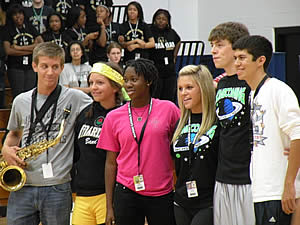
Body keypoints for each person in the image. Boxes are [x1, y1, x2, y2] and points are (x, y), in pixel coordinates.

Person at [1, 42, 92, 225]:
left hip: (57, 187)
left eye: (55, 67)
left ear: (61, 67)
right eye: (44, 66)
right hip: (22, 185)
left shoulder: (76, 97)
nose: (49, 72)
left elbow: (104, 102)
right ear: (34, 66)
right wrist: (5, 149)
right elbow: (14, 134)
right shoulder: (21, 100)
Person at [97, 58, 180, 225]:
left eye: (134, 80)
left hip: (162, 193)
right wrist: (109, 207)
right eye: (126, 80)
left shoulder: (169, 109)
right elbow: (110, 163)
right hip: (126, 192)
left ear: (148, 81)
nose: (128, 85)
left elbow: (178, 151)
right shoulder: (113, 117)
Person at [233, 35, 300, 225]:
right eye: (235, 58)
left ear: (260, 60)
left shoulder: (279, 90)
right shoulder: (253, 94)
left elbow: (298, 134)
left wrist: (288, 186)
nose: (236, 63)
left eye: (242, 58)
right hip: (261, 191)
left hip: (279, 191)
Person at [208, 22, 254, 225]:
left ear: (237, 47)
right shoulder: (219, 84)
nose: (213, 50)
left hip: (250, 178)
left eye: (219, 44)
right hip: (223, 176)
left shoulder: (253, 83)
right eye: (211, 45)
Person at [72, 62, 124, 225]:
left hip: (109, 196)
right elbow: (76, 154)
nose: (93, 87)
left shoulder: (123, 116)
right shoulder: (84, 115)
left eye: (100, 83)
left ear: (115, 86)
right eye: (91, 83)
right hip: (82, 196)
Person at [172, 65, 219, 225]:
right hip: (181, 201)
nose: (183, 93)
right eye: (180, 88)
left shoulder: (217, 121)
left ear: (204, 88)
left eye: (189, 87)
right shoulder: (180, 123)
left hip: (208, 201)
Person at [3, 3, 43, 98]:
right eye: (15, 14)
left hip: (30, 66)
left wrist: (18, 48)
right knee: (19, 96)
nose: (18, 16)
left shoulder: (30, 27)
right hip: (15, 67)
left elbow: (41, 45)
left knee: (31, 95)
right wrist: (32, 48)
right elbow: (8, 51)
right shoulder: (7, 30)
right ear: (11, 16)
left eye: (20, 13)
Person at [150, 9, 181, 103]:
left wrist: (174, 56)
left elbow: (178, 41)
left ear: (167, 21)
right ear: (154, 19)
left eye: (163, 19)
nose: (161, 21)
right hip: (156, 67)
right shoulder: (150, 31)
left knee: (169, 95)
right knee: (156, 95)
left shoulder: (171, 32)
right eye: (158, 18)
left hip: (169, 68)